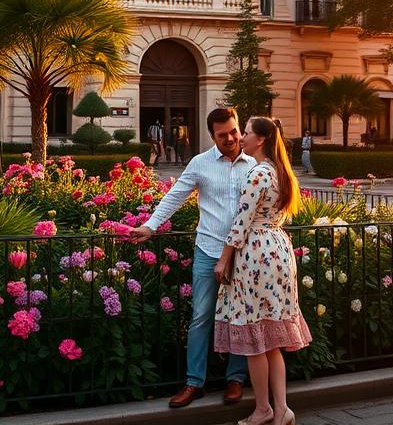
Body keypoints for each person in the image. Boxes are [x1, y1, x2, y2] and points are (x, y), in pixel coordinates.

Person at [128, 108, 254, 408]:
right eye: (222, 135)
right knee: (201, 317)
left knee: (240, 317)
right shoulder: (200, 163)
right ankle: (194, 383)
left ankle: (236, 379)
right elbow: (175, 196)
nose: (230, 139)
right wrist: (150, 226)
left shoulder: (254, 165)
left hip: (245, 254)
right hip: (208, 250)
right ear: (212, 136)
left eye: (234, 132)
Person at [215, 116, 311, 425]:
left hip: (256, 253)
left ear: (261, 140)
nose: (241, 137)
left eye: (246, 133)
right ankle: (281, 409)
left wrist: (224, 259)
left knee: (255, 339)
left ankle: (263, 409)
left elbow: (241, 222)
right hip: (278, 250)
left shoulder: (257, 173)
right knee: (271, 341)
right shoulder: (280, 171)